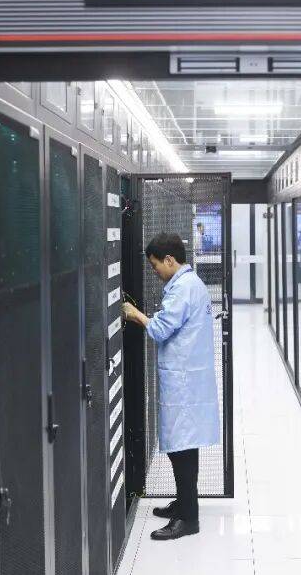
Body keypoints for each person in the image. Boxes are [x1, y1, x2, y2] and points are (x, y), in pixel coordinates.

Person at [123, 232, 221, 541]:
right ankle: (183, 504)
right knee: (184, 447)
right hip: (188, 379)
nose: (154, 271)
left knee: (182, 450)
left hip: (184, 383)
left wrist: (134, 314)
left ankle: (188, 519)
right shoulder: (192, 285)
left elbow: (160, 329)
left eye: (155, 265)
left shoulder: (182, 289)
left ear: (169, 260)